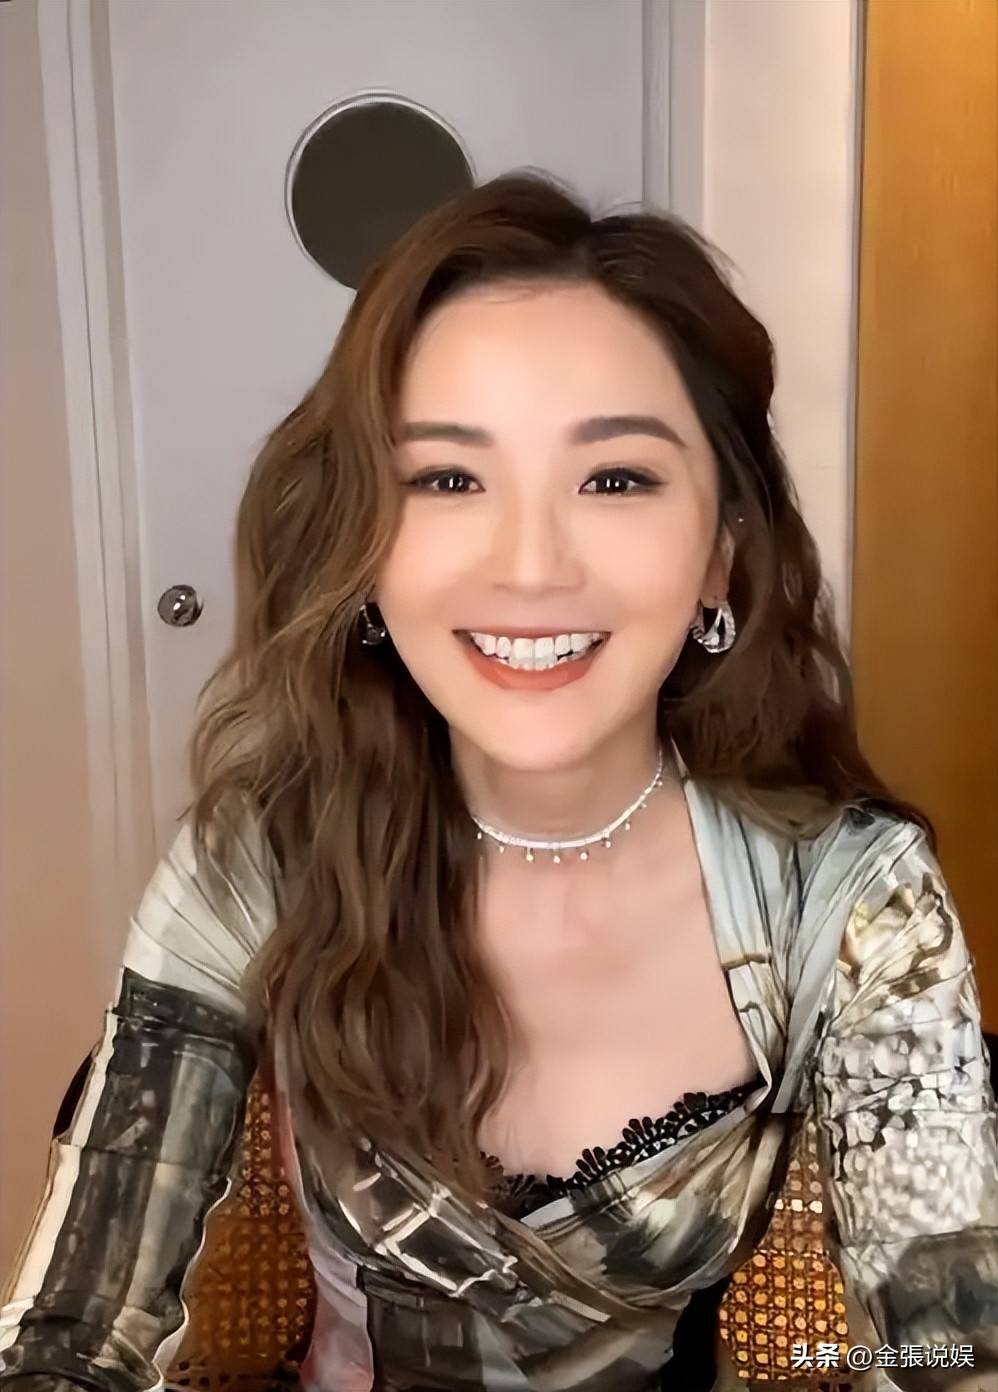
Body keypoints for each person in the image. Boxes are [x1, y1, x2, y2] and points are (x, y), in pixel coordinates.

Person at [2, 172, 996, 1392]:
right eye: (446, 480)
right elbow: (70, 1333)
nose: (529, 569)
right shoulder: (264, 860)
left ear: (718, 557)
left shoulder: (845, 898)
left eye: (615, 478)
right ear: (363, 549)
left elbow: (948, 1347)